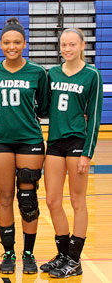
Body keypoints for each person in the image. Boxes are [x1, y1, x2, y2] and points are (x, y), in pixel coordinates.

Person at [0, 18, 49, 274]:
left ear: (25, 43)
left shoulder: (37, 72)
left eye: (17, 42)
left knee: (28, 199)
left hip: (30, 140)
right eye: (6, 42)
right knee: (4, 197)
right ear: (1, 44)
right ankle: (9, 253)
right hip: (0, 139)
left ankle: (29, 254)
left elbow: (44, 107)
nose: (12, 46)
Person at [41, 28, 103, 278]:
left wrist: (87, 153)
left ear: (82, 46)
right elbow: (42, 105)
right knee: (52, 200)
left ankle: (74, 259)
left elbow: (96, 115)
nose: (67, 49)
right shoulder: (52, 73)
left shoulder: (92, 75)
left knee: (77, 201)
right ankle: (64, 254)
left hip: (77, 143)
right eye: (63, 45)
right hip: (54, 142)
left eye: (72, 45)